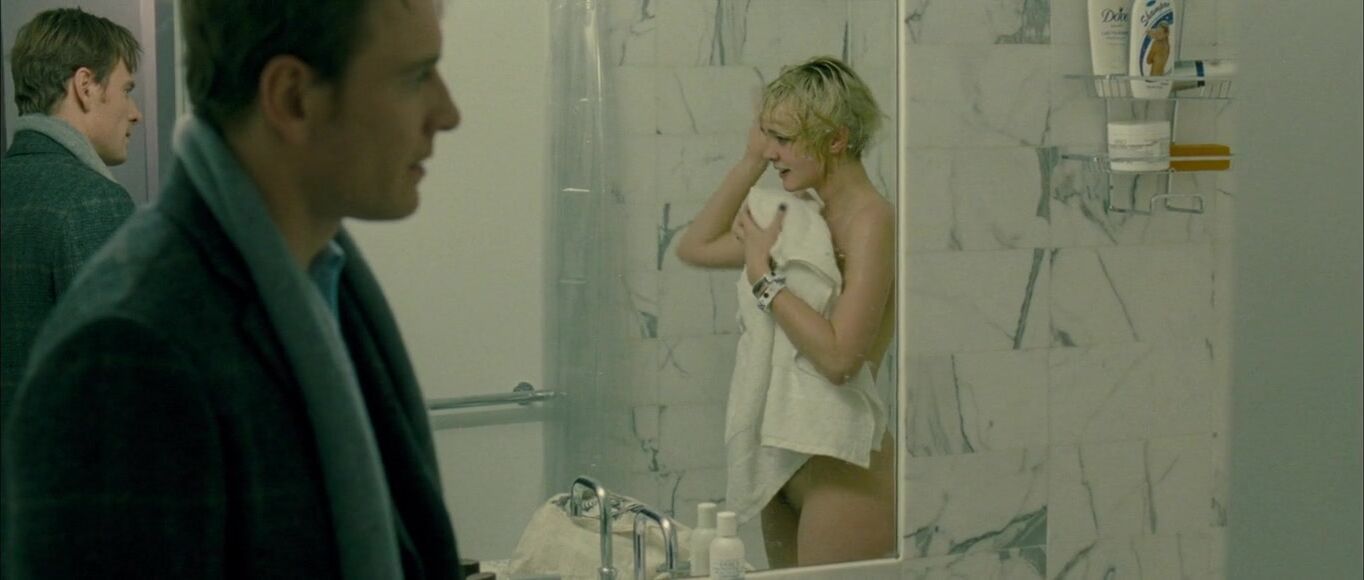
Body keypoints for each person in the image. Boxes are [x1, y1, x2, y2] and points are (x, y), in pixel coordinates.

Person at [0, 0, 463, 577]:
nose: (447, 113)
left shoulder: (328, 279)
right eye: (414, 76)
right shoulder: (129, 350)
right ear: (293, 97)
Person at [675, 56, 896, 568]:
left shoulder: (871, 219)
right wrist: (750, 160)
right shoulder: (801, 218)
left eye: (784, 139)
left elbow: (840, 359)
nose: (772, 152)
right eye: (768, 137)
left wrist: (764, 279)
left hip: (843, 470)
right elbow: (696, 246)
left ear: (836, 140)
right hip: (784, 456)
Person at [0, 7, 142, 419]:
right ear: (85, 86)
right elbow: (120, 390)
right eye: (126, 90)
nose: (135, 112)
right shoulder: (94, 202)